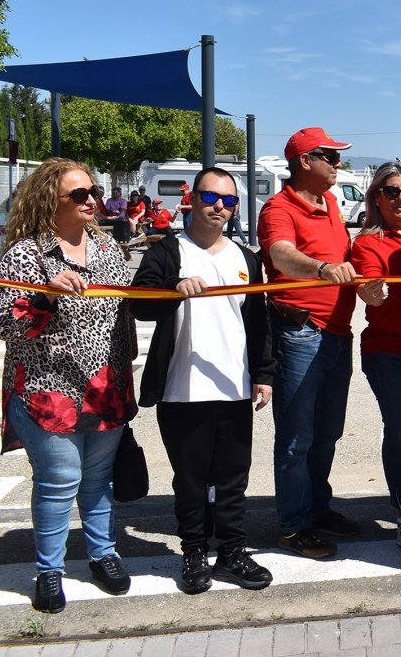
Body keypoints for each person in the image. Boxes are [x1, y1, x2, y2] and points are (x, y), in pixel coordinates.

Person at [0, 158, 136, 613]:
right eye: (79, 194)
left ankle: (103, 554)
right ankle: (49, 571)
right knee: (59, 482)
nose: (91, 199)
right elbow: (8, 326)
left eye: (93, 191)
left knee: (98, 480)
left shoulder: (107, 246)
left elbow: (126, 308)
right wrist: (45, 296)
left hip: (104, 387)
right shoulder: (25, 255)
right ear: (48, 201)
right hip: (47, 389)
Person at [130, 168, 276, 594]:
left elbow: (258, 322)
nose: (219, 207)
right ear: (192, 200)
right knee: (191, 481)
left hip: (234, 387)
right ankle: (193, 551)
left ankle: (232, 552)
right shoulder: (168, 251)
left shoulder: (247, 258)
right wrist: (173, 287)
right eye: (211, 197)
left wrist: (263, 374)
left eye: (229, 201)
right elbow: (139, 303)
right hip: (183, 388)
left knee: (233, 478)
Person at [258, 127, 359, 558]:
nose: (338, 163)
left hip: (336, 333)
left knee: (327, 432)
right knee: (297, 436)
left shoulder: (330, 202)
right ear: (304, 161)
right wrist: (321, 269)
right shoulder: (278, 208)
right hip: (300, 333)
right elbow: (281, 254)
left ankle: (317, 509)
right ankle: (294, 525)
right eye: (330, 157)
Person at [350, 164, 401, 549]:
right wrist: (373, 291)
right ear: (376, 198)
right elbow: (370, 292)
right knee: (400, 432)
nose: (400, 198)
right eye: (391, 191)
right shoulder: (367, 243)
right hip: (389, 350)